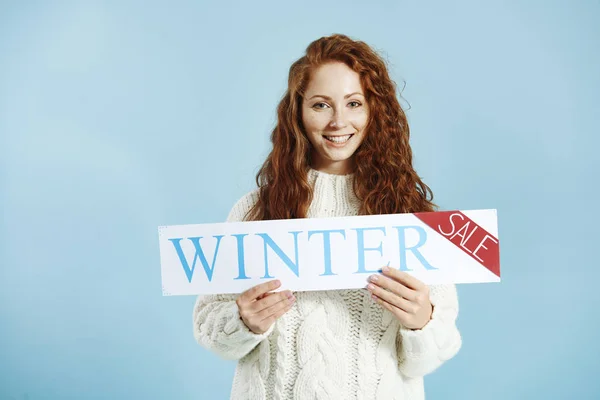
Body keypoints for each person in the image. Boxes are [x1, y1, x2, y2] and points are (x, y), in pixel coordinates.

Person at [192, 33, 462, 400]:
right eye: (321, 105)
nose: (338, 121)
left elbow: (434, 353)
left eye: (354, 103)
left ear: (374, 111)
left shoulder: (413, 219)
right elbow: (208, 327)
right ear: (298, 113)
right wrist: (242, 322)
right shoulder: (254, 210)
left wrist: (421, 322)